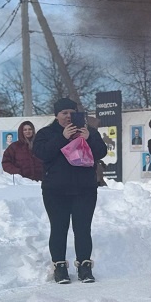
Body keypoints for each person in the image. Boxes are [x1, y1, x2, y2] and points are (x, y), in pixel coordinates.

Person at [32, 98, 107, 284]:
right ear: (56, 115)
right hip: (55, 191)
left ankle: (85, 267)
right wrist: (62, 137)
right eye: (64, 113)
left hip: (85, 189)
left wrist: (88, 138)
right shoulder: (46, 133)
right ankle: (60, 267)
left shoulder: (89, 132)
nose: (68, 116)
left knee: (83, 229)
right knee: (59, 229)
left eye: (71, 112)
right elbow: (41, 153)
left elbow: (102, 153)